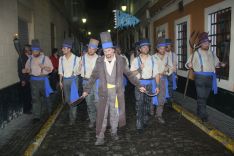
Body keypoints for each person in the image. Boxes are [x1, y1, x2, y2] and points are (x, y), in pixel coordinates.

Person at [82, 32, 146, 146]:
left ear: (113, 50)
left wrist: (139, 85)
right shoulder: (100, 61)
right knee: (102, 114)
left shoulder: (121, 61)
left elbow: (130, 75)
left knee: (115, 113)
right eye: (105, 51)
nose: (108, 53)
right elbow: (93, 76)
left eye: (110, 50)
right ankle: (100, 136)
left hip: (117, 93)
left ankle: (114, 132)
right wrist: (86, 89)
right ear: (103, 51)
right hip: (103, 93)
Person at [185, 32, 225, 122]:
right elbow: (187, 64)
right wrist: (189, 64)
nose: (207, 44)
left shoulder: (211, 53)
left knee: (204, 96)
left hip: (210, 77)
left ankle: (199, 110)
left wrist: (220, 64)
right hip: (200, 77)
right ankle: (203, 115)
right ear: (201, 44)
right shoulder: (196, 53)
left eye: (208, 43)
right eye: (205, 43)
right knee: (202, 96)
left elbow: (216, 63)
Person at [130, 39, 160, 133]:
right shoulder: (135, 60)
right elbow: (131, 74)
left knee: (147, 105)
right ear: (139, 49)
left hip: (150, 84)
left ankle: (145, 120)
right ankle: (139, 125)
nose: (145, 48)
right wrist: (139, 69)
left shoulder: (153, 59)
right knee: (139, 105)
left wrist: (157, 86)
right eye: (143, 47)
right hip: (139, 84)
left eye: (147, 46)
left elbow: (156, 74)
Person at [22, 39, 53, 123]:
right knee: (35, 99)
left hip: (43, 80)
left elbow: (51, 69)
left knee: (47, 97)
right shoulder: (30, 59)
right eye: (33, 51)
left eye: (36, 51)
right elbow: (27, 69)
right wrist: (25, 71)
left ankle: (50, 111)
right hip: (33, 81)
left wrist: (44, 67)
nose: (34, 52)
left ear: (39, 50)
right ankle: (36, 116)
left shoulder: (45, 58)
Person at [58, 38, 81, 125]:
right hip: (65, 80)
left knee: (74, 99)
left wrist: (80, 67)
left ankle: (73, 118)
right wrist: (60, 81)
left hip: (74, 80)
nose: (62, 49)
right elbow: (60, 71)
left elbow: (78, 72)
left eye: (64, 48)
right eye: (62, 48)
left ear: (69, 49)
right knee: (68, 99)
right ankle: (72, 111)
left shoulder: (77, 59)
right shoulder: (61, 59)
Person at [80, 39, 99, 128]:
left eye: (93, 48)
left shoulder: (99, 58)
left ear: (96, 50)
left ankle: (99, 119)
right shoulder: (82, 58)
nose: (91, 50)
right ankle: (92, 120)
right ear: (88, 48)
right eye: (90, 48)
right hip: (86, 81)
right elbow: (77, 72)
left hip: (96, 82)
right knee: (89, 102)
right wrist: (79, 67)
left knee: (97, 101)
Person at [153, 39, 170, 124]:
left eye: (164, 48)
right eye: (161, 48)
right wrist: (156, 74)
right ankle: (151, 111)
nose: (162, 50)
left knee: (161, 98)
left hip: (163, 79)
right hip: (154, 79)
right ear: (157, 49)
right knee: (152, 96)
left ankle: (158, 115)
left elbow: (171, 67)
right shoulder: (153, 57)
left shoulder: (168, 56)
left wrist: (167, 70)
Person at [18, 44, 32, 114]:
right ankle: (26, 110)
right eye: (30, 50)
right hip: (25, 79)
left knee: (29, 94)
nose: (31, 51)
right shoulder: (22, 58)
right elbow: (20, 70)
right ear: (26, 51)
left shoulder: (30, 57)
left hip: (30, 79)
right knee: (26, 95)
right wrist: (22, 80)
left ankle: (30, 107)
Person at [165, 39, 178, 108]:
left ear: (171, 47)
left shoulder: (174, 55)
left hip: (172, 74)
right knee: (166, 87)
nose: (168, 47)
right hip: (164, 74)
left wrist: (175, 74)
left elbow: (175, 64)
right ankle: (167, 100)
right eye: (166, 46)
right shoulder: (162, 54)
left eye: (169, 46)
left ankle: (170, 100)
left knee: (171, 87)